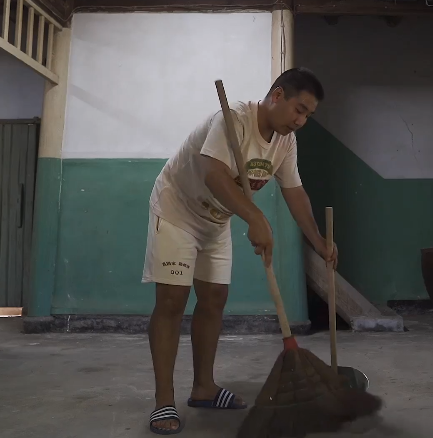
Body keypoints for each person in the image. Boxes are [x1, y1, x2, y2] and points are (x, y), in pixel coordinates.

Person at [141, 67, 337, 435]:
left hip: (215, 220)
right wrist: (255, 218)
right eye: (299, 109)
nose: (301, 121)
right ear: (277, 96)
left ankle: (204, 388)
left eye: (308, 115)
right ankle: (163, 400)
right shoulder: (233, 119)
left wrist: (319, 241)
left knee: (214, 299)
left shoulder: (285, 143)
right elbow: (213, 174)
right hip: (176, 211)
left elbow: (294, 193)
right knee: (172, 301)